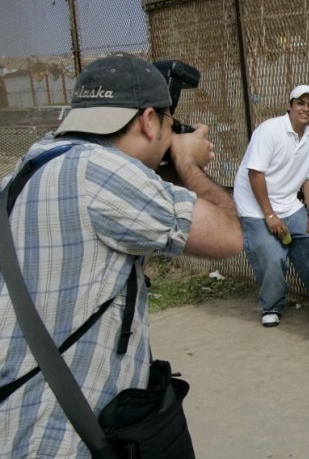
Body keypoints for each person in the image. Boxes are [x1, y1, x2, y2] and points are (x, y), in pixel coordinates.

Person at [0, 55, 243, 457]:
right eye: (168, 125)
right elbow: (228, 234)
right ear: (149, 121)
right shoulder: (102, 170)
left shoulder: (21, 173)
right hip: (61, 439)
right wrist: (184, 159)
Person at [233, 84, 309, 327]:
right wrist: (269, 215)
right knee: (272, 256)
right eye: (300, 103)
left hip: (287, 202)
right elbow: (256, 174)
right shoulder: (269, 130)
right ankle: (272, 306)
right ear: (290, 105)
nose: (305, 109)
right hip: (255, 205)